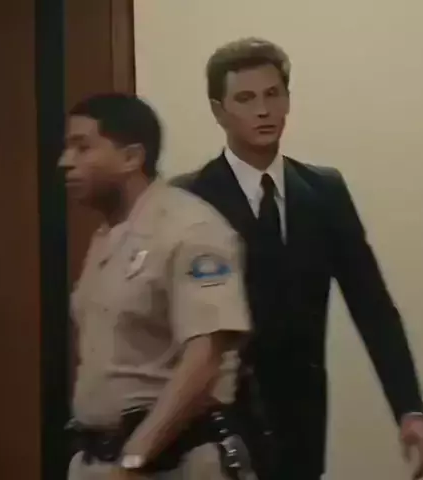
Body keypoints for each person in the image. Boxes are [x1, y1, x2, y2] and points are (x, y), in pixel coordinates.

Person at [172, 38, 423, 480]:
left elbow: (372, 306)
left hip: (301, 418)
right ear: (219, 111)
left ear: (288, 99)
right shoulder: (189, 198)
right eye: (245, 98)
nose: (263, 110)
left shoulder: (323, 192)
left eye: (272, 94)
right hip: (214, 420)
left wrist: (409, 409)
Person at [58, 93, 255, 480]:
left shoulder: (192, 229)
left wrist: (135, 457)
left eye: (82, 147)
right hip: (102, 458)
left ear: (132, 157)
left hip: (172, 461)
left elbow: (206, 356)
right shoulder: (110, 234)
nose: (65, 161)